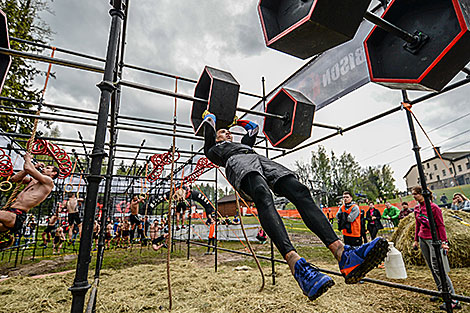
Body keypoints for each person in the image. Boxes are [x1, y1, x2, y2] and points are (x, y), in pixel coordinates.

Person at [201, 111, 389, 300]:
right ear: (216, 137)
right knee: (263, 194)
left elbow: (253, 129)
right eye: (224, 132)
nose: (229, 134)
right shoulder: (214, 150)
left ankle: (343, 254)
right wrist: (214, 117)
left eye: (229, 132)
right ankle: (296, 264)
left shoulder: (244, 144)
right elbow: (208, 126)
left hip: (258, 159)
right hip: (237, 163)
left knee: (299, 190)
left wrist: (237, 121)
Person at [411, 186, 461, 311]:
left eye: (415, 194)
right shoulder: (417, 208)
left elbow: (440, 225)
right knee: (431, 267)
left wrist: (444, 242)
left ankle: (454, 298)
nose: (413, 196)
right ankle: (441, 292)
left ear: (422, 194)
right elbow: (417, 224)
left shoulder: (434, 208)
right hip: (423, 239)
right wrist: (416, 240)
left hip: (434, 240)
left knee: (438, 267)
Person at [0, 154, 58, 239]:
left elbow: (28, 168)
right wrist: (33, 166)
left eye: (48, 168)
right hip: (11, 212)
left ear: (54, 173)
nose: (44, 168)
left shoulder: (49, 182)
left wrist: (28, 159)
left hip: (16, 215)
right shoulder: (34, 181)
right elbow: (15, 179)